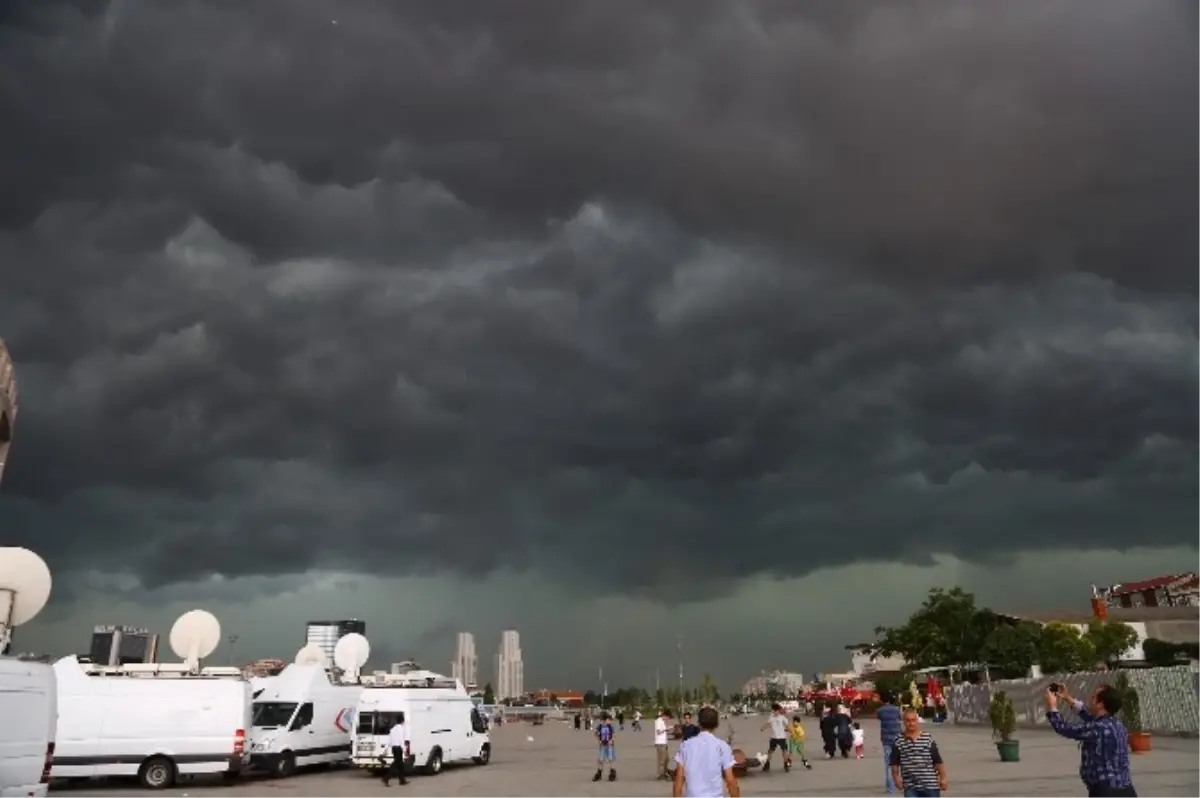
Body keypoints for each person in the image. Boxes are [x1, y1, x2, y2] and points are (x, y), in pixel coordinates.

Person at [1047, 685, 1138, 798]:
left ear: (1100, 704)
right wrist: (1067, 698)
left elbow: (1064, 728)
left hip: (1106, 791)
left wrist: (1052, 706)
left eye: (1094, 697)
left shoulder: (1097, 728)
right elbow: (1088, 715)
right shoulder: (1117, 725)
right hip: (1127, 790)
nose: (1090, 699)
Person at [673, 706, 740, 798]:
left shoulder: (686, 746)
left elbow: (679, 781)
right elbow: (730, 780)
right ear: (716, 725)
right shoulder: (722, 746)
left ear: (699, 723)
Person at [889, 709, 947, 798]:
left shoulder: (927, 738)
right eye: (908, 720)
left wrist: (943, 778)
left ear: (917, 721)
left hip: (930, 786)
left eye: (913, 720)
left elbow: (937, 760)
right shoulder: (898, 741)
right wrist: (896, 778)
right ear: (903, 721)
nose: (911, 723)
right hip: (910, 787)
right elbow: (894, 763)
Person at [877, 692, 903, 793]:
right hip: (897, 737)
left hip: (886, 738)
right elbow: (900, 717)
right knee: (897, 762)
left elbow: (879, 718)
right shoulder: (896, 709)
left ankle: (890, 787)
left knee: (888, 763)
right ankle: (898, 783)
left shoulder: (880, 710)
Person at [760, 703, 792, 772]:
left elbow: (787, 726)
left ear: (778, 711)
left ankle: (786, 764)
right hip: (774, 737)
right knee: (770, 752)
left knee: (784, 751)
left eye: (776, 711)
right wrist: (763, 728)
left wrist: (791, 731)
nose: (774, 712)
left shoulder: (782, 718)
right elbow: (768, 724)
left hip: (782, 737)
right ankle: (767, 765)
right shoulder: (771, 718)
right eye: (773, 711)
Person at [381, 715, 411, 786]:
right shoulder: (401, 729)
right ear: (402, 721)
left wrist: (385, 749)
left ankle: (402, 780)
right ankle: (386, 778)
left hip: (393, 748)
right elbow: (401, 740)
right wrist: (404, 750)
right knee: (396, 764)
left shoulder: (392, 729)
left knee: (400, 765)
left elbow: (389, 741)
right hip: (398, 748)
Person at [593, 713, 617, 782]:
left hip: (609, 745)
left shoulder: (610, 727)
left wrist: (611, 740)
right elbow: (595, 733)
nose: (610, 722)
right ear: (605, 720)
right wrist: (599, 740)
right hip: (603, 745)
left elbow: (613, 735)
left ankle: (612, 773)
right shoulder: (600, 726)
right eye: (609, 720)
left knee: (611, 759)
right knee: (601, 760)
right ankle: (599, 773)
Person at [654, 709, 673, 780]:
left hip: (664, 743)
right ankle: (661, 774)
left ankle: (664, 772)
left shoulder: (663, 722)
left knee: (667, 759)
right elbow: (658, 732)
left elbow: (662, 731)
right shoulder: (659, 721)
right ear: (665, 715)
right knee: (661, 760)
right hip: (660, 743)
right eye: (668, 717)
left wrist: (668, 730)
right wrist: (666, 729)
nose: (668, 719)